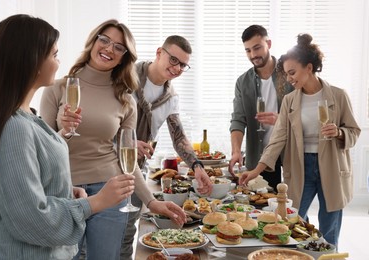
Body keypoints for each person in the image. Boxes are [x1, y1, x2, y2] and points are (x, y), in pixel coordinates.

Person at [0, 14, 136, 259]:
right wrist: (95, 202)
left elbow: (28, 185)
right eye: (55, 55)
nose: (59, 63)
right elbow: (31, 217)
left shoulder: (26, 118)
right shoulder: (14, 128)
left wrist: (66, 191)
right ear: (33, 61)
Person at [40, 19, 187, 260]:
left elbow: (126, 159)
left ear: (124, 57)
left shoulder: (125, 99)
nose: (109, 49)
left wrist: (151, 202)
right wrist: (63, 132)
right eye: (105, 40)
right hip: (64, 191)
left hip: (110, 191)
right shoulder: (57, 88)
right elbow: (42, 152)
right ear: (93, 41)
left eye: (119, 47)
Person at [239, 33, 360, 247]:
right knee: (292, 220)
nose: (289, 79)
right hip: (301, 165)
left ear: (310, 68)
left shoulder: (338, 96)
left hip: (331, 167)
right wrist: (256, 170)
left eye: (292, 72)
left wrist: (339, 133)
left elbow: (354, 131)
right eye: (286, 74)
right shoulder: (289, 100)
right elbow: (277, 139)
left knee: (329, 226)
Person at [120, 35, 213, 259]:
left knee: (126, 234)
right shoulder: (125, 77)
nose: (177, 68)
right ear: (159, 52)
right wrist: (128, 143)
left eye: (183, 64)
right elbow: (104, 121)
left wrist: (197, 167)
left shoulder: (171, 98)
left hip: (136, 171)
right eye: (174, 60)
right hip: (107, 165)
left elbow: (178, 137)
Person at [229, 25, 294, 192]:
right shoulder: (242, 82)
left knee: (293, 207)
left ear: (269, 44)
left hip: (290, 154)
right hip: (260, 157)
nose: (253, 55)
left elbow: (303, 113)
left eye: (257, 48)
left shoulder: (289, 74)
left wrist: (280, 120)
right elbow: (238, 119)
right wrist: (236, 151)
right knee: (263, 207)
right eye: (248, 50)